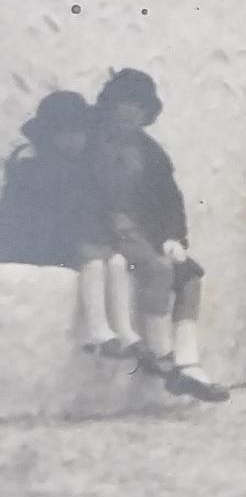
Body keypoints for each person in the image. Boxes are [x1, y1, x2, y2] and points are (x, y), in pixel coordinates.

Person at [89, 69, 229, 401]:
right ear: (110, 106)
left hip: (143, 233)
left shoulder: (150, 152)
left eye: (137, 107)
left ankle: (187, 360)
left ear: (146, 113)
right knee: (159, 268)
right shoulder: (91, 145)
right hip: (105, 231)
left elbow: (170, 201)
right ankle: (159, 354)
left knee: (189, 275)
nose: (129, 113)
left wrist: (175, 239)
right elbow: (80, 197)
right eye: (123, 104)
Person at [0, 91, 141, 358]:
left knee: (116, 261)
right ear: (49, 135)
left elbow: (90, 211)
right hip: (33, 241)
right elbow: (39, 217)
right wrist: (83, 243)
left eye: (80, 133)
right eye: (64, 133)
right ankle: (99, 331)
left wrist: (103, 240)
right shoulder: (33, 164)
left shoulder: (83, 167)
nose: (73, 141)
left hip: (71, 239)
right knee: (94, 261)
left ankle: (125, 332)